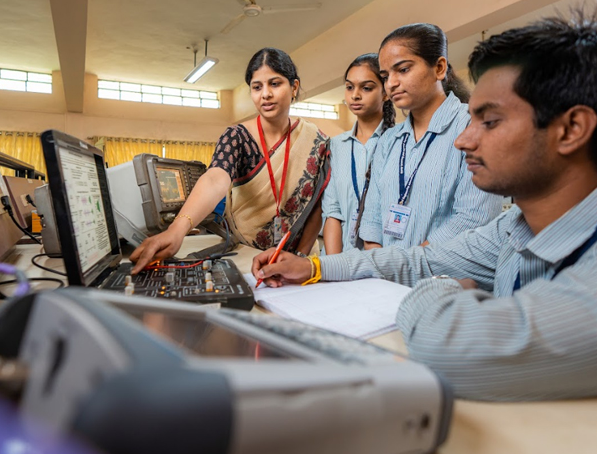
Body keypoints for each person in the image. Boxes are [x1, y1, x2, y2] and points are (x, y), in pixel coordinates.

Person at [252, 5, 597, 402]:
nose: (463, 140)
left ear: (571, 129)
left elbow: (450, 346)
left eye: (489, 122)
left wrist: (440, 289)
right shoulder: (516, 228)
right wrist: (313, 266)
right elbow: (415, 261)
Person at [130, 48, 330, 273]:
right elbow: (216, 178)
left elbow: (317, 207)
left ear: (294, 87)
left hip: (299, 262)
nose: (265, 94)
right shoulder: (236, 137)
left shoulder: (315, 140)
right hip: (247, 259)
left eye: (275, 84)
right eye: (257, 87)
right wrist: (177, 230)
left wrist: (301, 258)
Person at [359, 23, 502, 250]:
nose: (391, 84)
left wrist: (400, 268)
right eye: (385, 76)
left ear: (439, 68)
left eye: (403, 70)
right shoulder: (390, 140)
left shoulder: (474, 126)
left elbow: (473, 219)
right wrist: (382, 274)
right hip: (383, 279)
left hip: (444, 279)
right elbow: (372, 221)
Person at [322, 54, 396, 254]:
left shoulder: (399, 143)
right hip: (342, 255)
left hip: (385, 258)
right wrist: (334, 267)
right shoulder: (337, 145)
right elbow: (332, 212)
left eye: (366, 88)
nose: (355, 95)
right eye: (349, 87)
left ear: (385, 93)